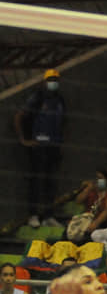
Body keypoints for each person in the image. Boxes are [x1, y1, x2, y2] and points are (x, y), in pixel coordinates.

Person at [15, 69, 66, 228]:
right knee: (36, 181)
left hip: (53, 146)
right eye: (50, 79)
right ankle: (33, 215)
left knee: (51, 182)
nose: (53, 82)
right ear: (45, 81)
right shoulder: (37, 98)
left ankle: (48, 216)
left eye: (55, 79)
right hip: (38, 146)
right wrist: (24, 139)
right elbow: (19, 117)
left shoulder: (59, 100)